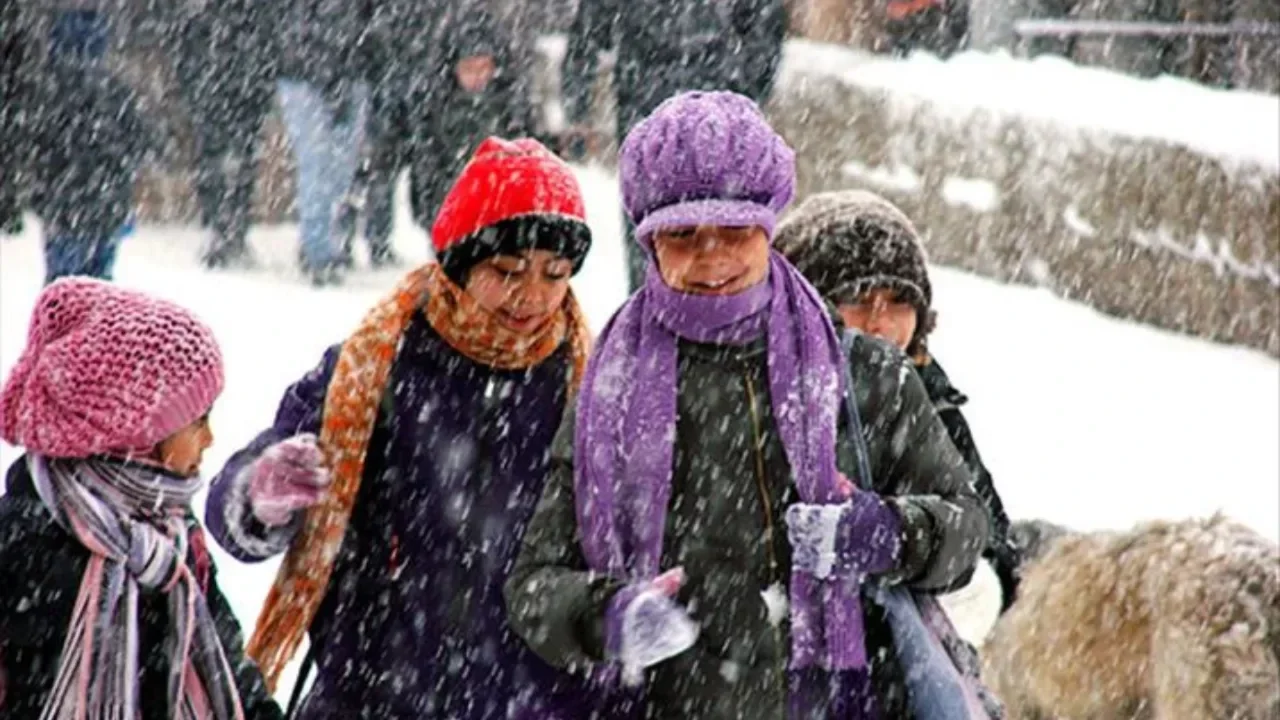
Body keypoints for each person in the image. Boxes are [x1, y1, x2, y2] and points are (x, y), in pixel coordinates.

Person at [505, 91, 989, 719]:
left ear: (767, 225)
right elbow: (534, 584)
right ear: (649, 245)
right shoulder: (612, 389)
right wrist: (609, 615)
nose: (712, 256)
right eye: (682, 234)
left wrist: (888, 533)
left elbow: (968, 529)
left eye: (735, 229)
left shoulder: (863, 371)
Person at [204, 137, 597, 718]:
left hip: (531, 698)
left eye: (555, 273)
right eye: (506, 269)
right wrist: (260, 493)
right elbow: (231, 512)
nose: (531, 295)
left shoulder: (585, 380)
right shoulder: (374, 365)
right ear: (460, 264)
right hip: (377, 689)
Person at [0, 278, 282, 720]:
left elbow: (224, 661)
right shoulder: (22, 543)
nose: (210, 439)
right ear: (137, 432)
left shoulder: (174, 536)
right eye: (197, 421)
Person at [776, 189, 1022, 612]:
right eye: (855, 299)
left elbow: (988, 540)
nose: (879, 323)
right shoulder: (770, 392)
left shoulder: (932, 401)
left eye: (898, 302)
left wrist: (896, 537)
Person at [561, 0, 788, 292]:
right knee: (709, 222)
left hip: (654, 98)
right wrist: (748, 90)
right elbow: (765, 25)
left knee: (657, 227)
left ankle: (663, 306)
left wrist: (577, 105)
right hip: (701, 99)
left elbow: (589, 32)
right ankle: (702, 309)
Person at [361, 0, 540, 261]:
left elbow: (528, 152)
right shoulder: (432, 99)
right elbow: (420, 156)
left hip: (498, 208)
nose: (477, 76)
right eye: (469, 69)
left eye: (484, 68)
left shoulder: (509, 100)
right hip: (447, 204)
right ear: (454, 66)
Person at [26, 9, 153, 283]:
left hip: (62, 205)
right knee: (100, 287)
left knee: (61, 286)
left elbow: (35, 145)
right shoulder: (116, 91)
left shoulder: (47, 92)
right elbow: (140, 143)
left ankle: (63, 324)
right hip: (105, 206)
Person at [172, 0, 278, 269]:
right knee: (226, 165)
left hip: (234, 93)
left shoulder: (227, 15)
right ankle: (224, 230)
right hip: (227, 92)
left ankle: (228, 230)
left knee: (229, 165)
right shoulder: (222, 16)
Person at [276, 0, 372, 285]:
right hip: (307, 73)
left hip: (350, 71)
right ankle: (318, 250)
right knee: (317, 165)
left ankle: (327, 241)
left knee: (342, 169)